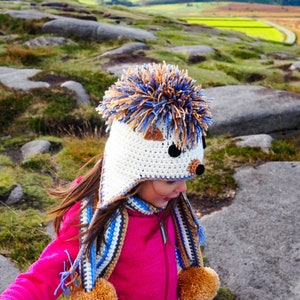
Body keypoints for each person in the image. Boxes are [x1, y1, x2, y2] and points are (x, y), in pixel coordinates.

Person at [0, 62, 220, 300]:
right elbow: (44, 276)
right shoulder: (94, 218)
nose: (183, 189)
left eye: (186, 178)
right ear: (133, 172)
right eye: (170, 180)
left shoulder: (168, 207)